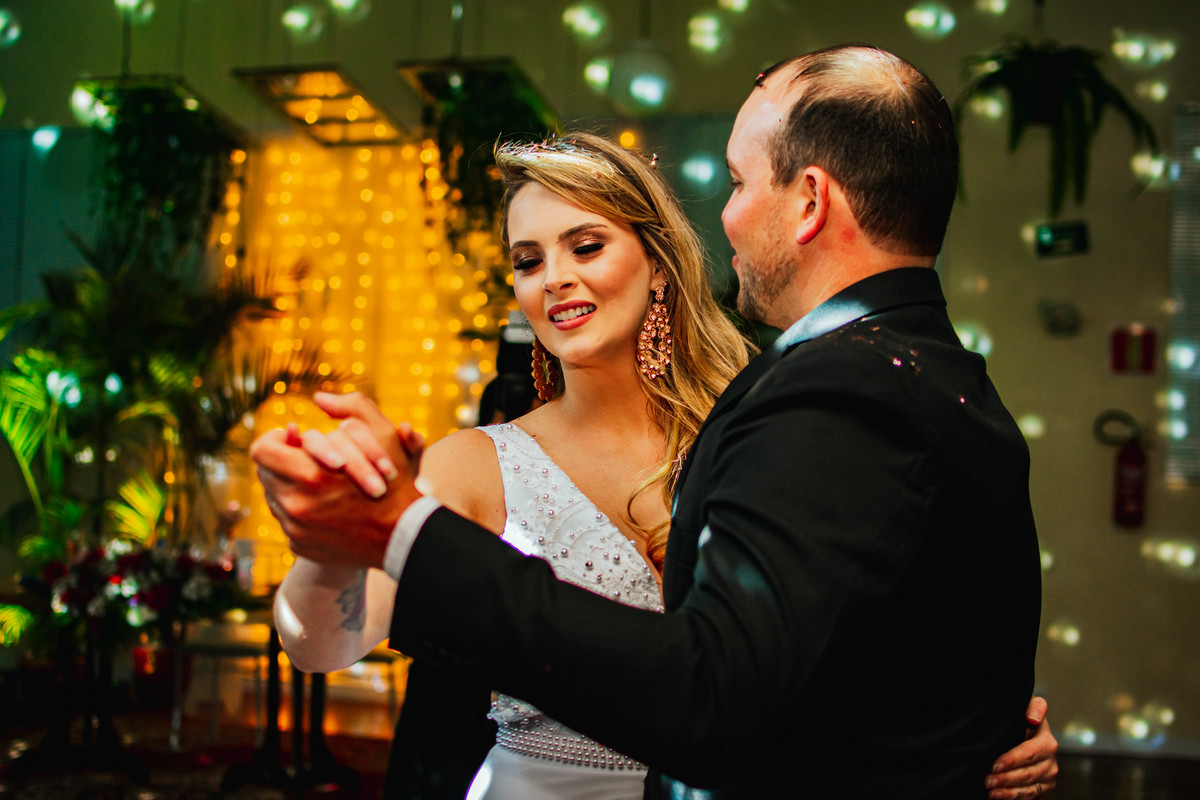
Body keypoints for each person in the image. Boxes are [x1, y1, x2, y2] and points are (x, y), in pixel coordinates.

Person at [253, 45, 1056, 800]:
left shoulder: (775, 420)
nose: (554, 279)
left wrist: (975, 729)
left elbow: (851, 621)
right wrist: (330, 550)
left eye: (586, 246)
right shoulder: (476, 461)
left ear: (658, 264)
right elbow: (320, 646)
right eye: (528, 260)